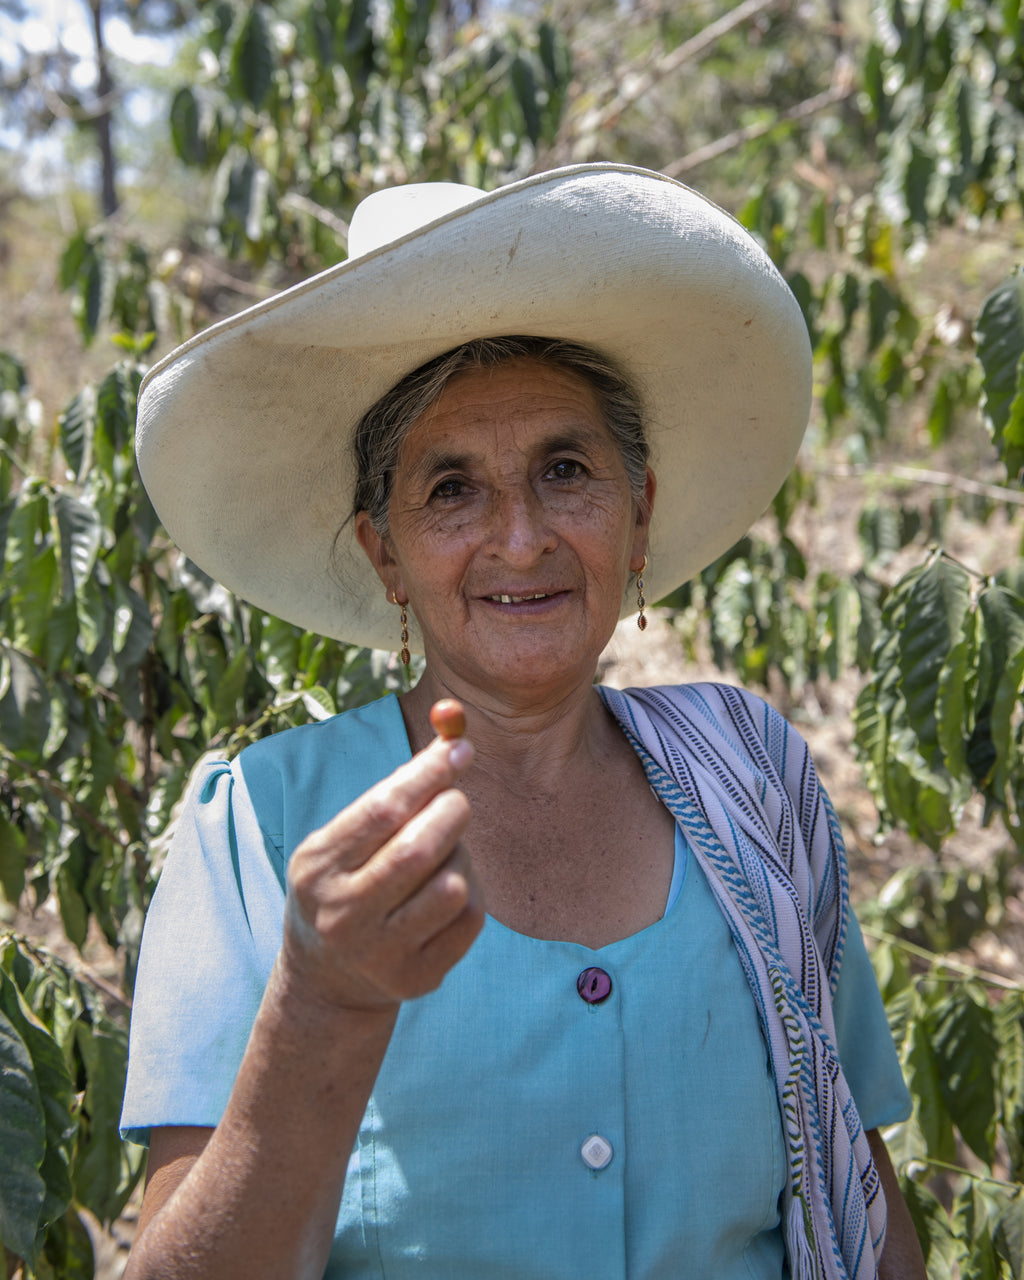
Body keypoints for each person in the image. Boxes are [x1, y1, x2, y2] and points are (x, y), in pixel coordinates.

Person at [120, 164, 926, 1280]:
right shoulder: (259, 828)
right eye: (450, 487)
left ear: (635, 514)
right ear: (382, 552)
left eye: (565, 469)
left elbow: (860, 1204)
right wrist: (322, 999)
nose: (520, 537)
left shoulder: (752, 780)